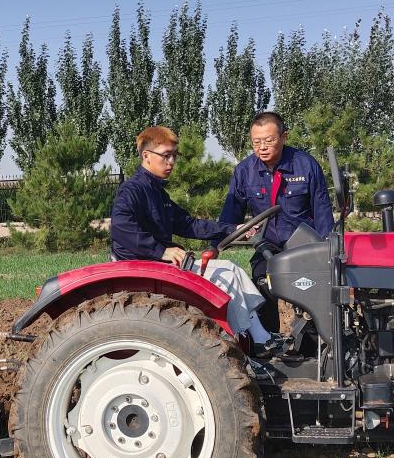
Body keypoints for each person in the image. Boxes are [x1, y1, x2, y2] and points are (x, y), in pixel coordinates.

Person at [110, 126, 282, 354]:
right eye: (165, 155)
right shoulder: (133, 190)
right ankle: (247, 348)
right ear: (146, 156)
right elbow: (122, 228)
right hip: (144, 266)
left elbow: (189, 224)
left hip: (159, 263)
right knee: (223, 277)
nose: (171, 162)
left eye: (174, 155)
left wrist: (233, 229)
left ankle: (260, 337)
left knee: (232, 270)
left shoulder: (158, 193)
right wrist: (162, 251)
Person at [219, 111, 334, 283]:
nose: (262, 147)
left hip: (304, 247)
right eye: (256, 142)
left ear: (284, 137)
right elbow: (230, 213)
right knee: (262, 286)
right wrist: (215, 246)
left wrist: (328, 252)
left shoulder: (306, 165)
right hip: (266, 247)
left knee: (313, 290)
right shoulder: (244, 171)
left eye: (269, 140)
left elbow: (322, 213)